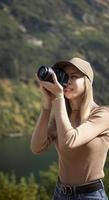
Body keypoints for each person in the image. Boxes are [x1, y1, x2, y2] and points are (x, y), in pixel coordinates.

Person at [30, 57, 109, 200]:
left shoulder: (103, 115)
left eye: (74, 76)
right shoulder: (62, 116)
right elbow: (36, 147)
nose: (67, 81)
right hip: (60, 193)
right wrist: (47, 106)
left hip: (90, 195)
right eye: (65, 76)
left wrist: (59, 98)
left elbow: (69, 141)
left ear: (87, 81)